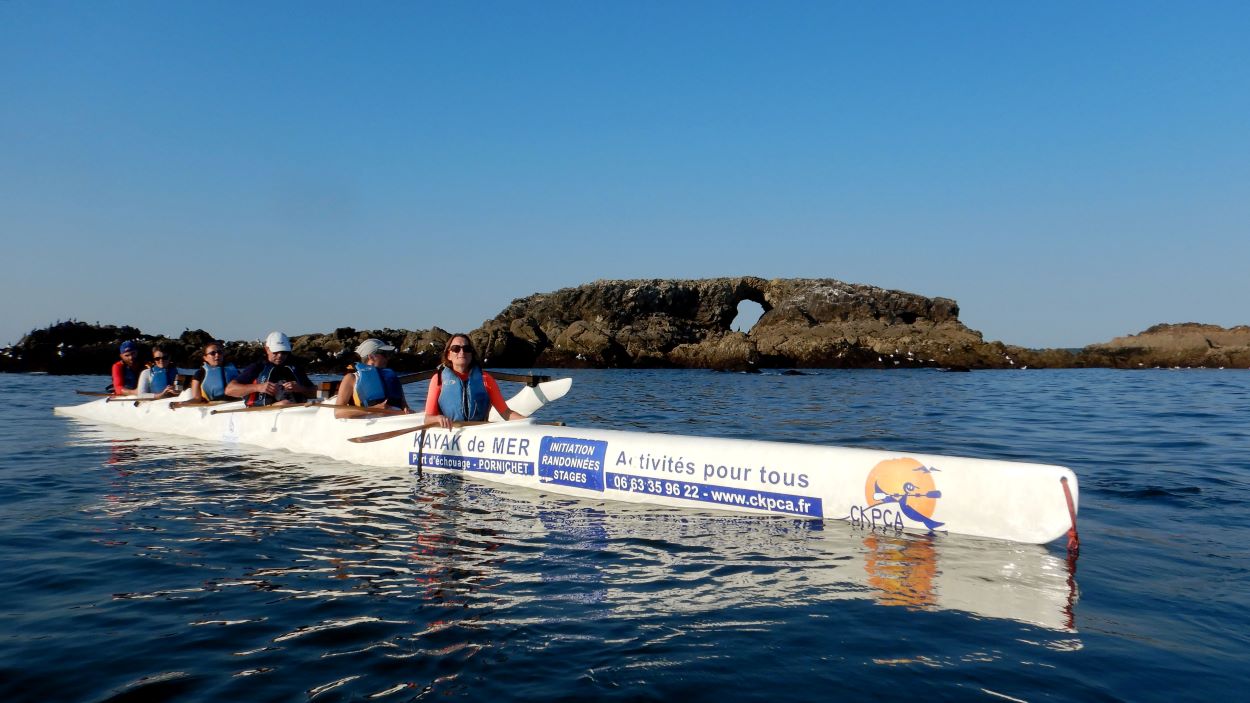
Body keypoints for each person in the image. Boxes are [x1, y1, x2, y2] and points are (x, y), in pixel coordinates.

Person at [424, 334, 526, 429]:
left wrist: (529, 423)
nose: (462, 352)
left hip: (478, 435)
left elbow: (506, 413)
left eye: (467, 349)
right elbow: (428, 419)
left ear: (471, 354)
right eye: (456, 349)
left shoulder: (486, 379)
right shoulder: (438, 379)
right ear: (448, 355)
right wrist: (438, 418)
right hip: (451, 433)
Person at [226, 331, 316, 407]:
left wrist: (300, 388)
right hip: (263, 411)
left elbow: (314, 393)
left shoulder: (294, 367)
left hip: (294, 409)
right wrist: (258, 387)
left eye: (284, 352)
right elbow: (229, 390)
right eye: (276, 352)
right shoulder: (257, 367)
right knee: (285, 403)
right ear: (267, 349)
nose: (280, 356)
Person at [334, 338, 410, 418]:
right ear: (371, 357)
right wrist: (374, 409)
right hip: (371, 422)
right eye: (384, 354)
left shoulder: (392, 378)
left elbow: (405, 406)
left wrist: (407, 410)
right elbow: (338, 412)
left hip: (397, 420)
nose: (387, 358)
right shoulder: (351, 378)